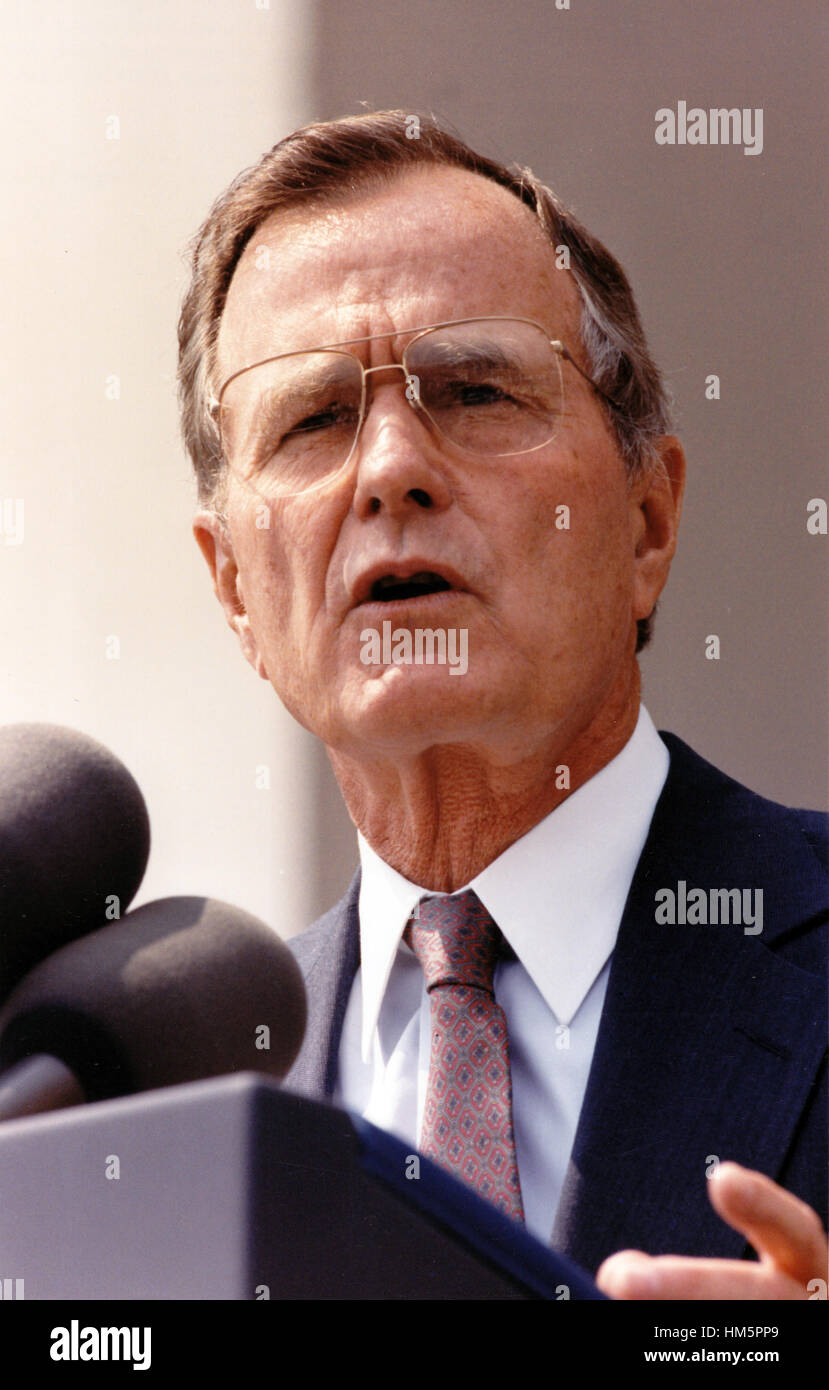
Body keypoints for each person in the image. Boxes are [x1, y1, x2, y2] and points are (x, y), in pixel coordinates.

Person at [179, 111, 827, 1299]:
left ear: (646, 521)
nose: (389, 469)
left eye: (473, 389)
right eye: (315, 419)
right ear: (233, 590)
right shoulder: (177, 1105)